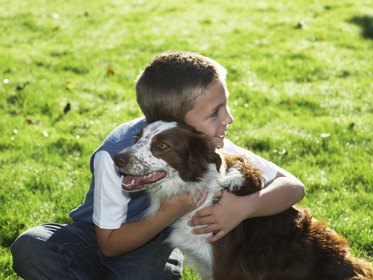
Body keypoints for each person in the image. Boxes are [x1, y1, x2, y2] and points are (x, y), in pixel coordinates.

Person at [11, 51, 305, 279]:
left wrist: (244, 207)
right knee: (31, 247)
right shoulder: (115, 153)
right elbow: (109, 244)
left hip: (150, 246)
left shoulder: (201, 144)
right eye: (215, 112)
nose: (228, 119)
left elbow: (292, 186)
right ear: (176, 119)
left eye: (226, 107)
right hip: (95, 236)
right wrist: (169, 212)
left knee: (143, 274)